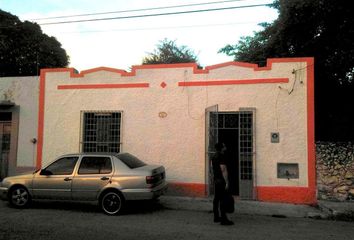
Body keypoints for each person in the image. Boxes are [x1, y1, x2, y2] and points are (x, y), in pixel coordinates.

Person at [211, 142, 234, 225]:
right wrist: (227, 182)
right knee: (223, 199)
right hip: (221, 180)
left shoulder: (213, 156)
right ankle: (224, 220)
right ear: (221, 148)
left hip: (216, 179)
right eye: (224, 146)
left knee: (216, 199)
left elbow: (212, 168)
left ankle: (216, 217)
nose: (225, 147)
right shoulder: (221, 156)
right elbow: (223, 169)